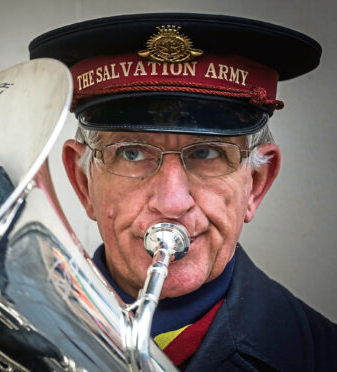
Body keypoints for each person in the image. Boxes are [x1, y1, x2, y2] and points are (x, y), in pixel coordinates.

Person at [29, 13, 337, 371]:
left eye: (207, 153)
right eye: (132, 153)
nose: (172, 204)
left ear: (255, 185)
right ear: (84, 184)